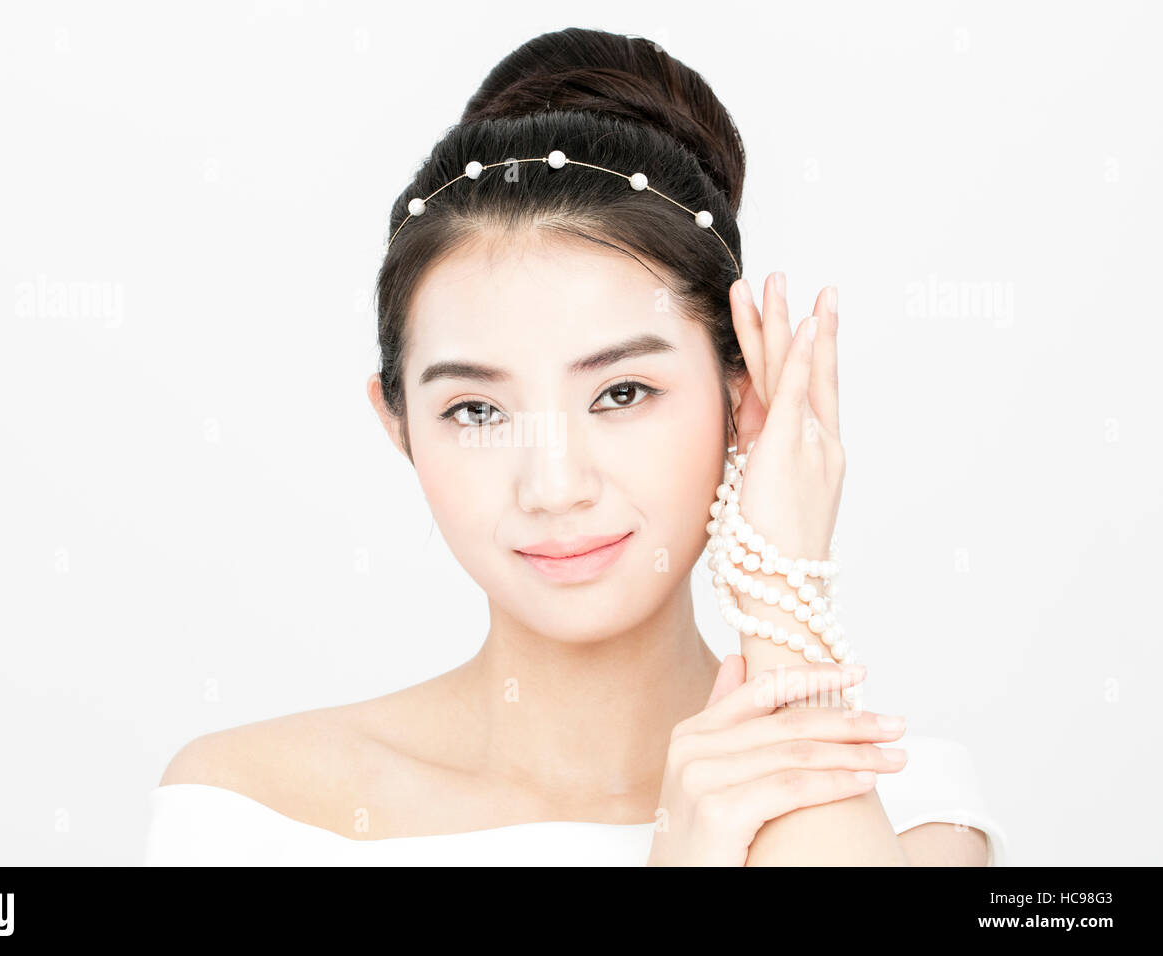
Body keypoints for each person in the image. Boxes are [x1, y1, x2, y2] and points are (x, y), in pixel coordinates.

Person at [144, 27, 1007, 866]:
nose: (554, 487)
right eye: (478, 410)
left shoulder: (903, 810)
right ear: (398, 424)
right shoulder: (250, 812)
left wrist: (779, 589)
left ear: (742, 397)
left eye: (621, 394)